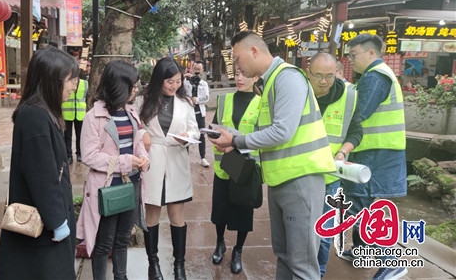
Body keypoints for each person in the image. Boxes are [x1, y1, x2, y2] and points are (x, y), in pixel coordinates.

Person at [210, 31, 336, 279]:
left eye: (237, 58)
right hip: (282, 180)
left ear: (254, 51)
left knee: (301, 263)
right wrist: (231, 137)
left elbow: (282, 132)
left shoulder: (287, 78)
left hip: (301, 178)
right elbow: (265, 132)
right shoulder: (270, 83)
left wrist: (236, 140)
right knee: (285, 254)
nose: (238, 66)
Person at [0, 47, 79, 280]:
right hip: (43, 228)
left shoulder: (42, 113)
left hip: (47, 224)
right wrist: (57, 222)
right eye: (71, 80)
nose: (74, 86)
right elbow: (43, 178)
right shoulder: (35, 117)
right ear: (52, 80)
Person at [341, 34, 408, 280]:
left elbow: (358, 115)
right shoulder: (376, 76)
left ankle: (391, 262)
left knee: (359, 204)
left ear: (371, 53)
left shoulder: (375, 77)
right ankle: (360, 251)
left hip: (375, 152)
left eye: (353, 54)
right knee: (360, 200)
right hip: (373, 150)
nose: (350, 59)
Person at [77, 60, 150, 280]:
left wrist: (144, 157)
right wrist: (126, 162)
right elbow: (89, 156)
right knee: (104, 242)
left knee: (122, 239)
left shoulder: (130, 111)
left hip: (131, 184)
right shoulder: (93, 117)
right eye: (133, 86)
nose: (136, 90)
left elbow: (137, 139)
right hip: (109, 188)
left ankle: (121, 277)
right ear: (119, 85)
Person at [138, 57, 199, 280]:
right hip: (152, 163)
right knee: (152, 215)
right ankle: (153, 264)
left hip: (176, 159)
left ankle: (179, 266)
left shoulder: (185, 103)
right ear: (159, 80)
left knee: (177, 216)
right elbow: (136, 126)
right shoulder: (143, 101)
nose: (174, 86)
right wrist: (141, 133)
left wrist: (188, 137)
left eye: (178, 81)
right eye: (169, 82)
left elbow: (195, 130)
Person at [307, 52, 363, 278]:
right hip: (299, 173)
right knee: (299, 230)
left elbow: (356, 131)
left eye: (329, 76)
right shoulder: (300, 93)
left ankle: (318, 272)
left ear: (337, 73)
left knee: (323, 230)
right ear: (308, 73)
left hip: (329, 176)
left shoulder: (349, 96)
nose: (323, 81)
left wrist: (343, 152)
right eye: (318, 75)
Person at [209, 68, 261, 274]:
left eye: (246, 74)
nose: (240, 78)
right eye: (237, 74)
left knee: (243, 211)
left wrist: (235, 145)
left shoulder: (262, 103)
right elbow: (216, 127)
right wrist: (214, 137)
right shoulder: (224, 100)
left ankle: (238, 250)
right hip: (225, 164)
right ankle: (220, 243)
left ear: (256, 77)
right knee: (220, 210)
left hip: (246, 166)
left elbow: (263, 136)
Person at [184, 60, 210, 167]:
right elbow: (180, 93)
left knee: (201, 135)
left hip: (200, 113)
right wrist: (184, 77)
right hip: (188, 112)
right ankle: (185, 158)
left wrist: (197, 99)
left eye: (199, 69)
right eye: (195, 69)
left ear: (203, 70)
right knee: (186, 135)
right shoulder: (185, 81)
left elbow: (207, 97)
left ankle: (203, 157)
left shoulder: (204, 84)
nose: (197, 72)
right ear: (191, 69)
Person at [62, 72, 88, 164]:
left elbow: (87, 98)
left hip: (81, 114)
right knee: (67, 136)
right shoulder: (66, 83)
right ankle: (68, 156)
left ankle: (80, 153)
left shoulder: (85, 83)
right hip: (67, 113)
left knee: (80, 135)